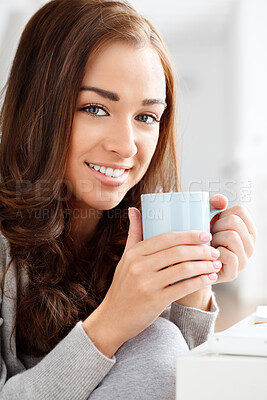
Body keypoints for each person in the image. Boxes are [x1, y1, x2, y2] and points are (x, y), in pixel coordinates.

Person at [0, 0, 257, 399]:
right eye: (95, 108)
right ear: (38, 107)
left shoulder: (135, 229)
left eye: (146, 117)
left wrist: (193, 288)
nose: (125, 146)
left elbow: (166, 383)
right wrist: (110, 324)